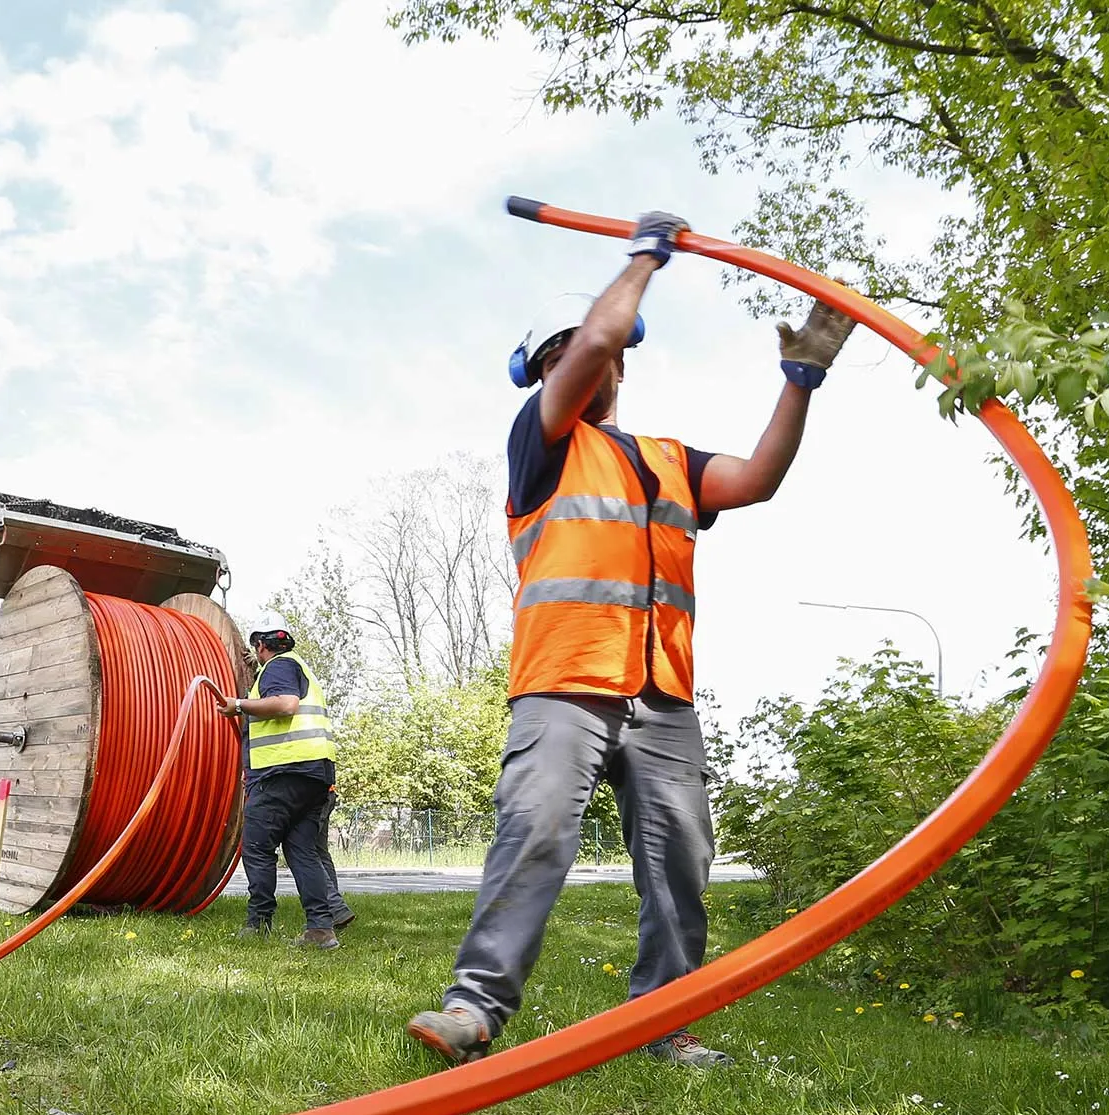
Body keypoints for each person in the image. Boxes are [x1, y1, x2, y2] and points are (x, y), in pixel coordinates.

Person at [407, 209, 853, 1068]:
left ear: (624, 365)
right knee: (534, 831)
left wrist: (799, 379)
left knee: (682, 857)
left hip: (663, 694)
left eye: (592, 352)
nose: (579, 362)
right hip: (566, 682)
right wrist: (646, 257)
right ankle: (474, 1007)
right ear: (545, 372)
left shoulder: (670, 461)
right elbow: (599, 333)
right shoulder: (540, 444)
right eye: (560, 357)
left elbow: (758, 478)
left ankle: (664, 1024)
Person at [218, 629, 352, 947]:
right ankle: (320, 929)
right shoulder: (301, 666)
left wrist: (239, 704)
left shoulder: (277, 666)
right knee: (302, 851)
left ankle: (258, 923)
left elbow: (286, 705)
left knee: (257, 848)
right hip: (313, 775)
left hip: (282, 774)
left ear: (261, 646)